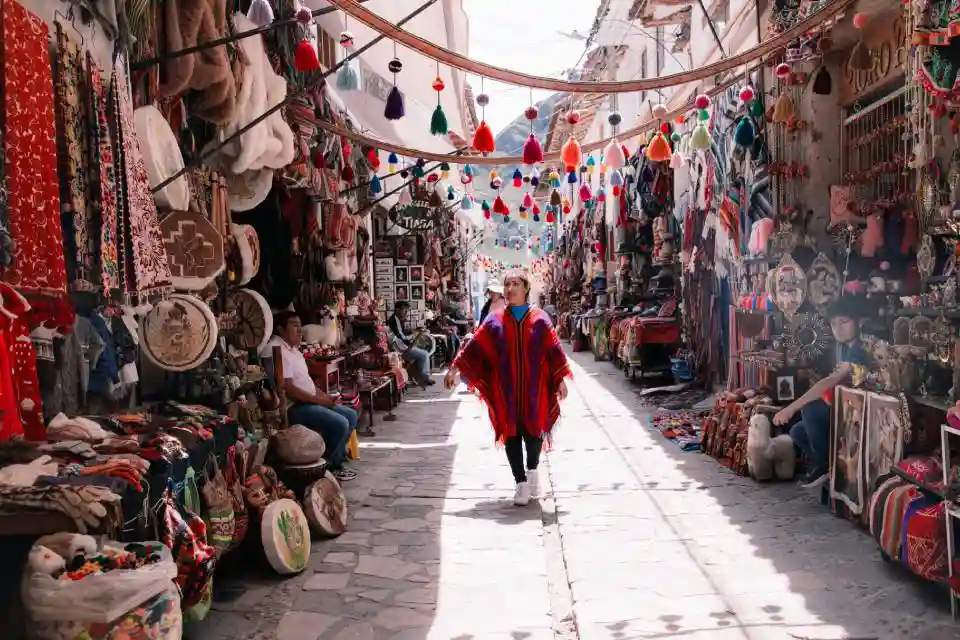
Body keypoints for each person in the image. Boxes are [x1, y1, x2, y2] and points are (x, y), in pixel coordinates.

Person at [445, 271, 572, 506]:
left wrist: (560, 379)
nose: (510, 288)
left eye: (516, 284)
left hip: (536, 389)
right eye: (507, 284)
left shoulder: (540, 319)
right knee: (511, 433)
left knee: (534, 433)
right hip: (506, 390)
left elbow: (553, 352)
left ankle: (532, 469)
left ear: (525, 289)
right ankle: (521, 483)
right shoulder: (494, 320)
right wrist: (455, 368)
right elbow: (475, 346)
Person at [773, 296, 872, 488]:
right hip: (846, 405)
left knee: (810, 408)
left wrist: (790, 408)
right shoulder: (843, 347)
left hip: (862, 409)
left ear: (859, 322)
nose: (839, 328)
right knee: (797, 431)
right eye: (834, 323)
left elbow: (830, 381)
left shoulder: (860, 349)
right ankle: (829, 465)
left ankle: (825, 465)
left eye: (844, 321)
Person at [261, 311, 359, 482]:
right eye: (294, 325)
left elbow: (308, 384)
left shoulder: (294, 351)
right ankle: (326, 467)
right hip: (294, 406)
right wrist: (321, 401)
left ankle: (334, 462)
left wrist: (326, 398)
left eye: (300, 325)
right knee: (340, 423)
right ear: (280, 329)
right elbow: (289, 389)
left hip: (308, 401)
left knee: (350, 414)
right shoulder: (275, 348)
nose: (299, 330)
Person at [387, 301, 434, 387]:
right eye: (405, 311)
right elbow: (402, 337)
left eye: (407, 311)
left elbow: (402, 333)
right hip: (401, 349)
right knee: (424, 354)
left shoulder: (397, 319)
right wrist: (415, 334)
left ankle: (418, 377)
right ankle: (424, 377)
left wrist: (414, 330)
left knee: (422, 350)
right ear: (397, 309)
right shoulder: (394, 320)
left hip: (401, 346)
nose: (406, 313)